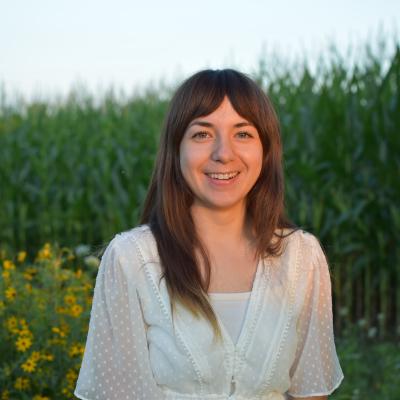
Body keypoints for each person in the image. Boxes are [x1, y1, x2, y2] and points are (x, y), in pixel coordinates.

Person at [74, 69, 344, 400]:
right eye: (202, 134)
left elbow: (310, 393)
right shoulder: (131, 259)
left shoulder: (302, 258)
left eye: (243, 134)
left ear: (266, 149)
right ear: (176, 150)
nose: (223, 153)